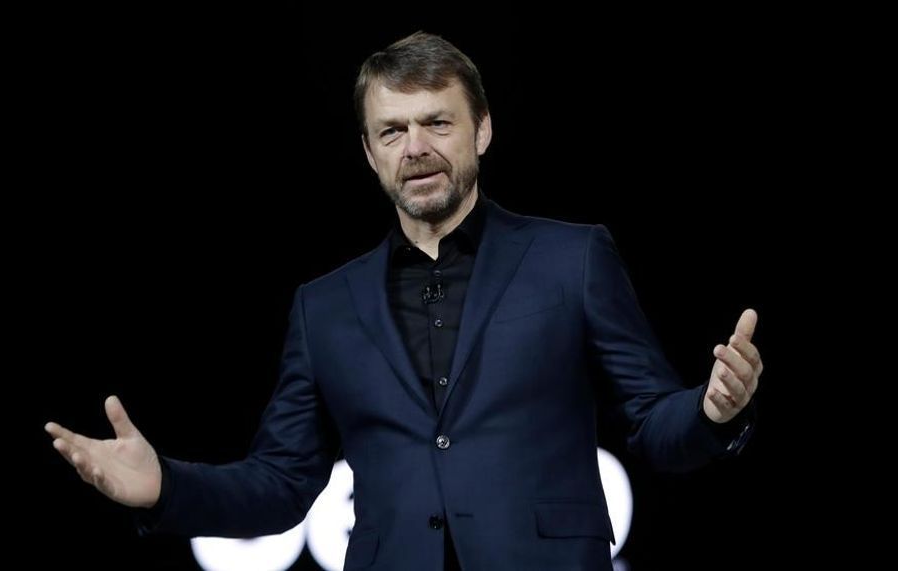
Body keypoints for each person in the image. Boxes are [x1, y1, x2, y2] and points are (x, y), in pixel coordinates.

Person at [46, 31, 762, 571]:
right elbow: (282, 481)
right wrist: (166, 486)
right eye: (392, 130)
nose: (415, 146)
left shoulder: (571, 258)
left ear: (480, 130)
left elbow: (650, 421)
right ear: (368, 151)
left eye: (436, 123)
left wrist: (708, 410)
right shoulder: (322, 306)